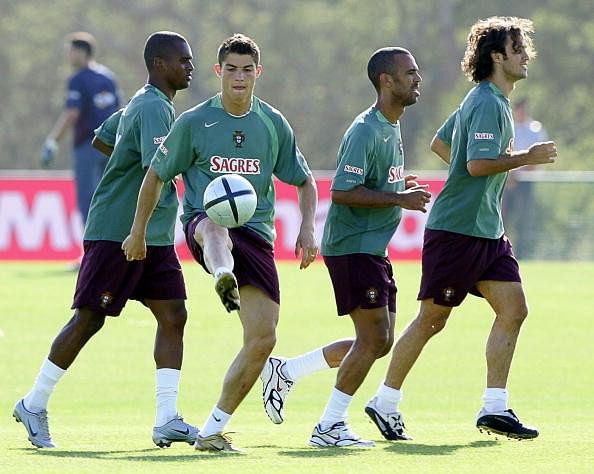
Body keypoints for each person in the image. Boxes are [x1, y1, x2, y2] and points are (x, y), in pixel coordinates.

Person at [122, 33, 318, 453]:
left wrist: (306, 229)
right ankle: (223, 273)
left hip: (258, 234)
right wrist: (137, 230)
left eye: (247, 69)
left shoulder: (272, 123)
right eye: (231, 68)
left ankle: (212, 430)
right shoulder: (194, 122)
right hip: (204, 223)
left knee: (264, 340)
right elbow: (155, 175)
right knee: (215, 226)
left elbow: (304, 181)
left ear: (257, 73)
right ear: (219, 72)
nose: (239, 77)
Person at [366, 16, 557, 442]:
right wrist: (525, 156)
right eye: (517, 49)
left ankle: (494, 407)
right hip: (457, 231)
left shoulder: (486, 100)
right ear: (496, 56)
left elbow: (440, 143)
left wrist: (474, 168)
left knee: (514, 309)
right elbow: (474, 165)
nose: (526, 56)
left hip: (486, 231)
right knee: (432, 320)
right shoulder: (487, 102)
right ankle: (385, 400)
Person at [14, 31, 198, 449]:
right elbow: (158, 170)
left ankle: (167, 417)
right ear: (159, 65)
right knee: (89, 318)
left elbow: (103, 138)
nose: (190, 67)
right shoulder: (152, 107)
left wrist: (125, 165)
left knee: (174, 315)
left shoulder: (142, 102)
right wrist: (135, 225)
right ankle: (34, 402)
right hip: (122, 231)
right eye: (182, 60)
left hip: (150, 234)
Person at [260, 47, 431, 448]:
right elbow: (342, 191)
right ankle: (329, 426)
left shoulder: (392, 126)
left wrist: (399, 188)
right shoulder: (366, 129)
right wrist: (397, 200)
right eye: (409, 73)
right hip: (352, 247)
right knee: (372, 340)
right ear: (386, 81)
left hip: (372, 249)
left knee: (380, 340)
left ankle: (287, 370)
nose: (416, 79)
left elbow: (373, 183)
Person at [42, 32, 121, 229]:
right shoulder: (108, 77)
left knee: (88, 200)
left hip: (88, 145)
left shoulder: (78, 80)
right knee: (109, 199)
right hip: (112, 147)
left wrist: (52, 141)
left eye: (70, 51)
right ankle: (112, 253)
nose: (68, 56)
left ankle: (91, 254)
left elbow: (72, 114)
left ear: (81, 52)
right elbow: (121, 112)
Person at [504, 98, 549, 258]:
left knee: (523, 220)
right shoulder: (510, 127)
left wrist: (516, 171)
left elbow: (538, 157)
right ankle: (503, 253)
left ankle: (523, 254)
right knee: (503, 219)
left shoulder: (535, 129)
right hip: (506, 181)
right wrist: (509, 173)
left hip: (526, 182)